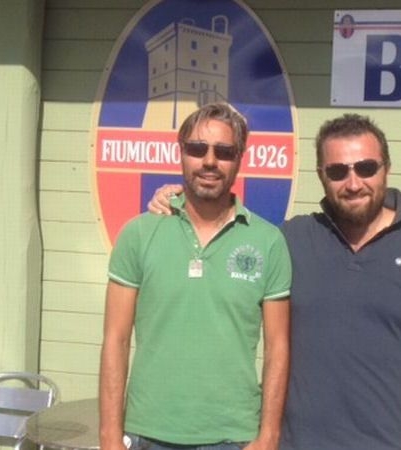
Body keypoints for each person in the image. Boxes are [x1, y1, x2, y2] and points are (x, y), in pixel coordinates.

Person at [149, 113, 401, 450]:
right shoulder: (291, 240)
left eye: (366, 168)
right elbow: (222, 235)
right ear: (321, 175)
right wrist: (179, 200)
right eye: (337, 171)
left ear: (386, 169)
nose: (353, 183)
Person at [99, 102, 292, 450]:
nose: (209, 161)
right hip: (148, 433)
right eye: (197, 149)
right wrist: (109, 436)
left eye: (224, 151)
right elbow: (116, 339)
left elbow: (277, 348)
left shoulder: (268, 242)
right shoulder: (139, 234)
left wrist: (269, 436)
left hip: (233, 436)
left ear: (240, 158)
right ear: (181, 152)